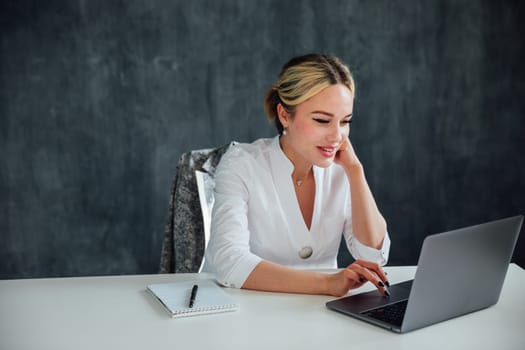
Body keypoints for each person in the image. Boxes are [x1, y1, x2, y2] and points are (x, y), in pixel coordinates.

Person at [202, 54, 391, 297]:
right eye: (322, 120)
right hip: (246, 310)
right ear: (284, 115)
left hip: (318, 314)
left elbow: (372, 256)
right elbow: (230, 262)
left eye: (345, 121)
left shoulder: (341, 168)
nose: (337, 136)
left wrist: (356, 172)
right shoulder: (241, 163)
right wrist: (326, 284)